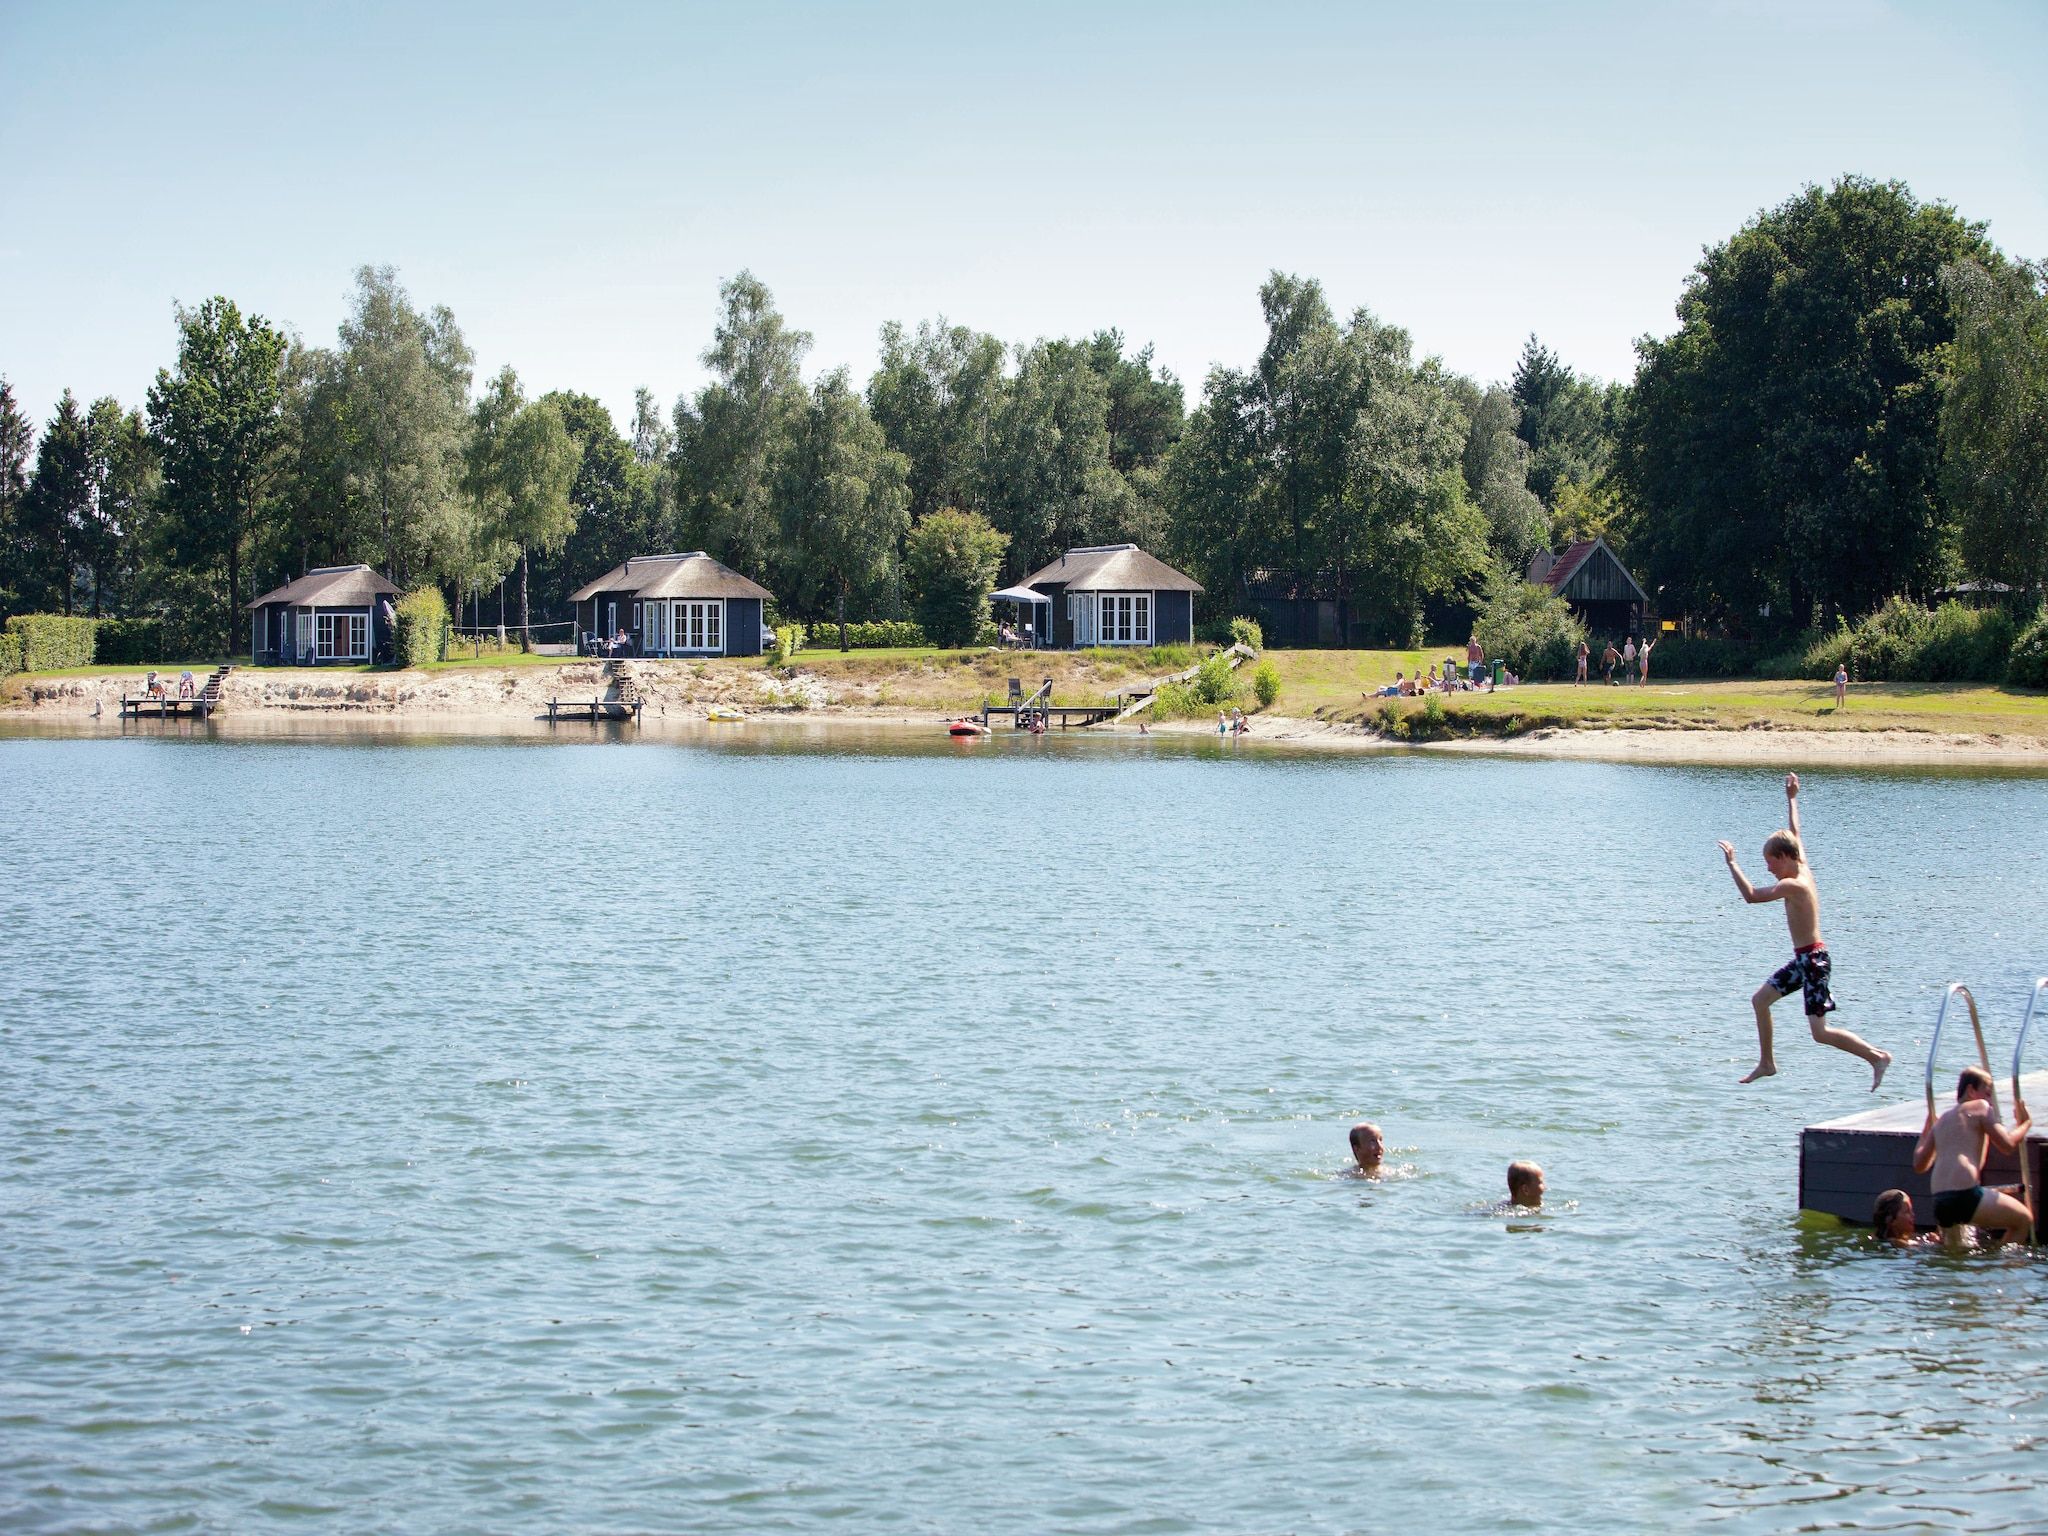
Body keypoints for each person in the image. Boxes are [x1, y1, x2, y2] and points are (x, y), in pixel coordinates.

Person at [1717, 772, 1892, 1089]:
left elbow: (1752, 896)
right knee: (1760, 1001)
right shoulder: (1802, 866)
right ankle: (1767, 1063)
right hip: (1804, 960)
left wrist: (1732, 864)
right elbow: (1795, 832)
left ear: (1784, 858)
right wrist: (1792, 798)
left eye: (1770, 862)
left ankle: (1876, 1057)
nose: (1768, 867)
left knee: (1820, 1033)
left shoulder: (1793, 884)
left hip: (1813, 961)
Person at [1913, 1068, 2034, 1246]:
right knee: (2023, 1220)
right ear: (1971, 1091)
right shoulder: (1980, 1107)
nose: (1991, 1102)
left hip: (1940, 1201)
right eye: (1987, 1094)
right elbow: (2007, 1145)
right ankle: (2000, 1268)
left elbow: (1919, 1165)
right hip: (1965, 1195)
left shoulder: (1942, 1121)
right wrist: (2025, 1124)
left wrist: (1925, 1133)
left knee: (1955, 1259)